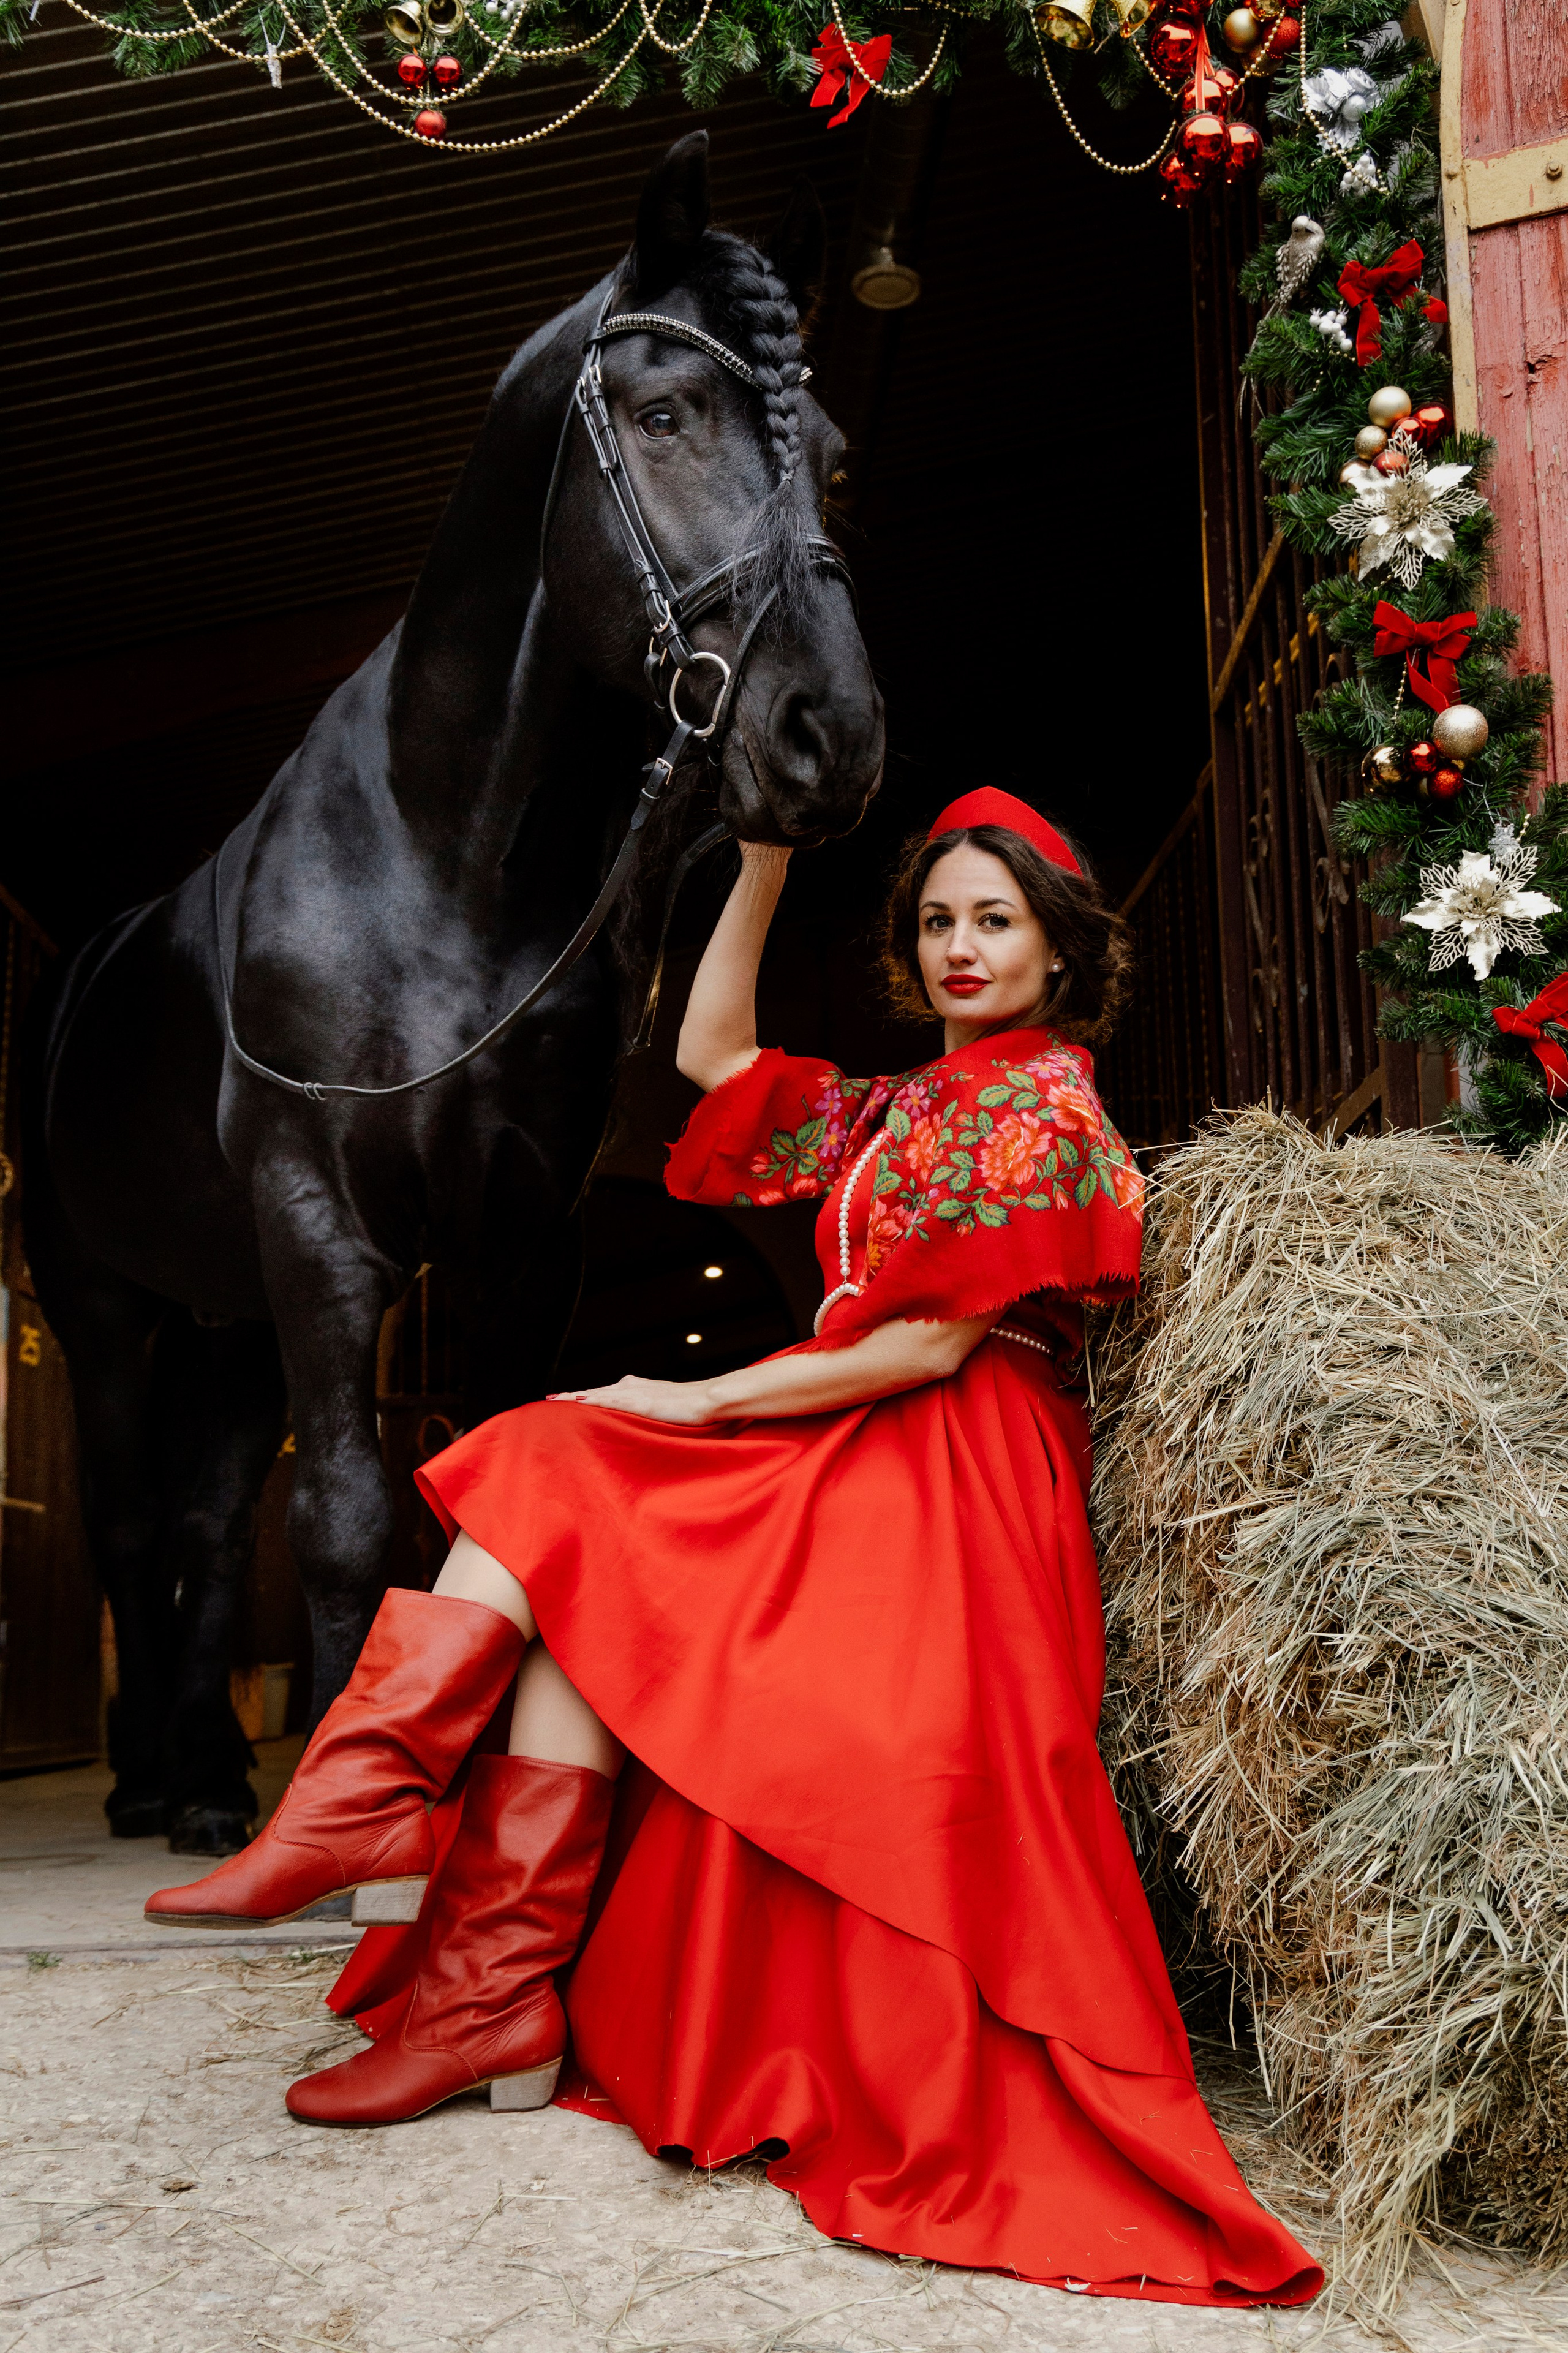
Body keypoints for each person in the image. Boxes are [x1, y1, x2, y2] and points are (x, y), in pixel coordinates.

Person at [146, 787, 1321, 2308]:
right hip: (849, 1434)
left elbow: (929, 1348)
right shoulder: (901, 1109)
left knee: (564, 1458)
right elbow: (709, 1054)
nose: (959, 947)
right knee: (562, 1514)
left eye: (993, 919)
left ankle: (388, 1845)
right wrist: (760, 861)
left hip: (950, 1463)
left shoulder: (1046, 1110)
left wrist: (689, 1396)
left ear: (1056, 944)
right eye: (934, 920)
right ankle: (459, 1956)